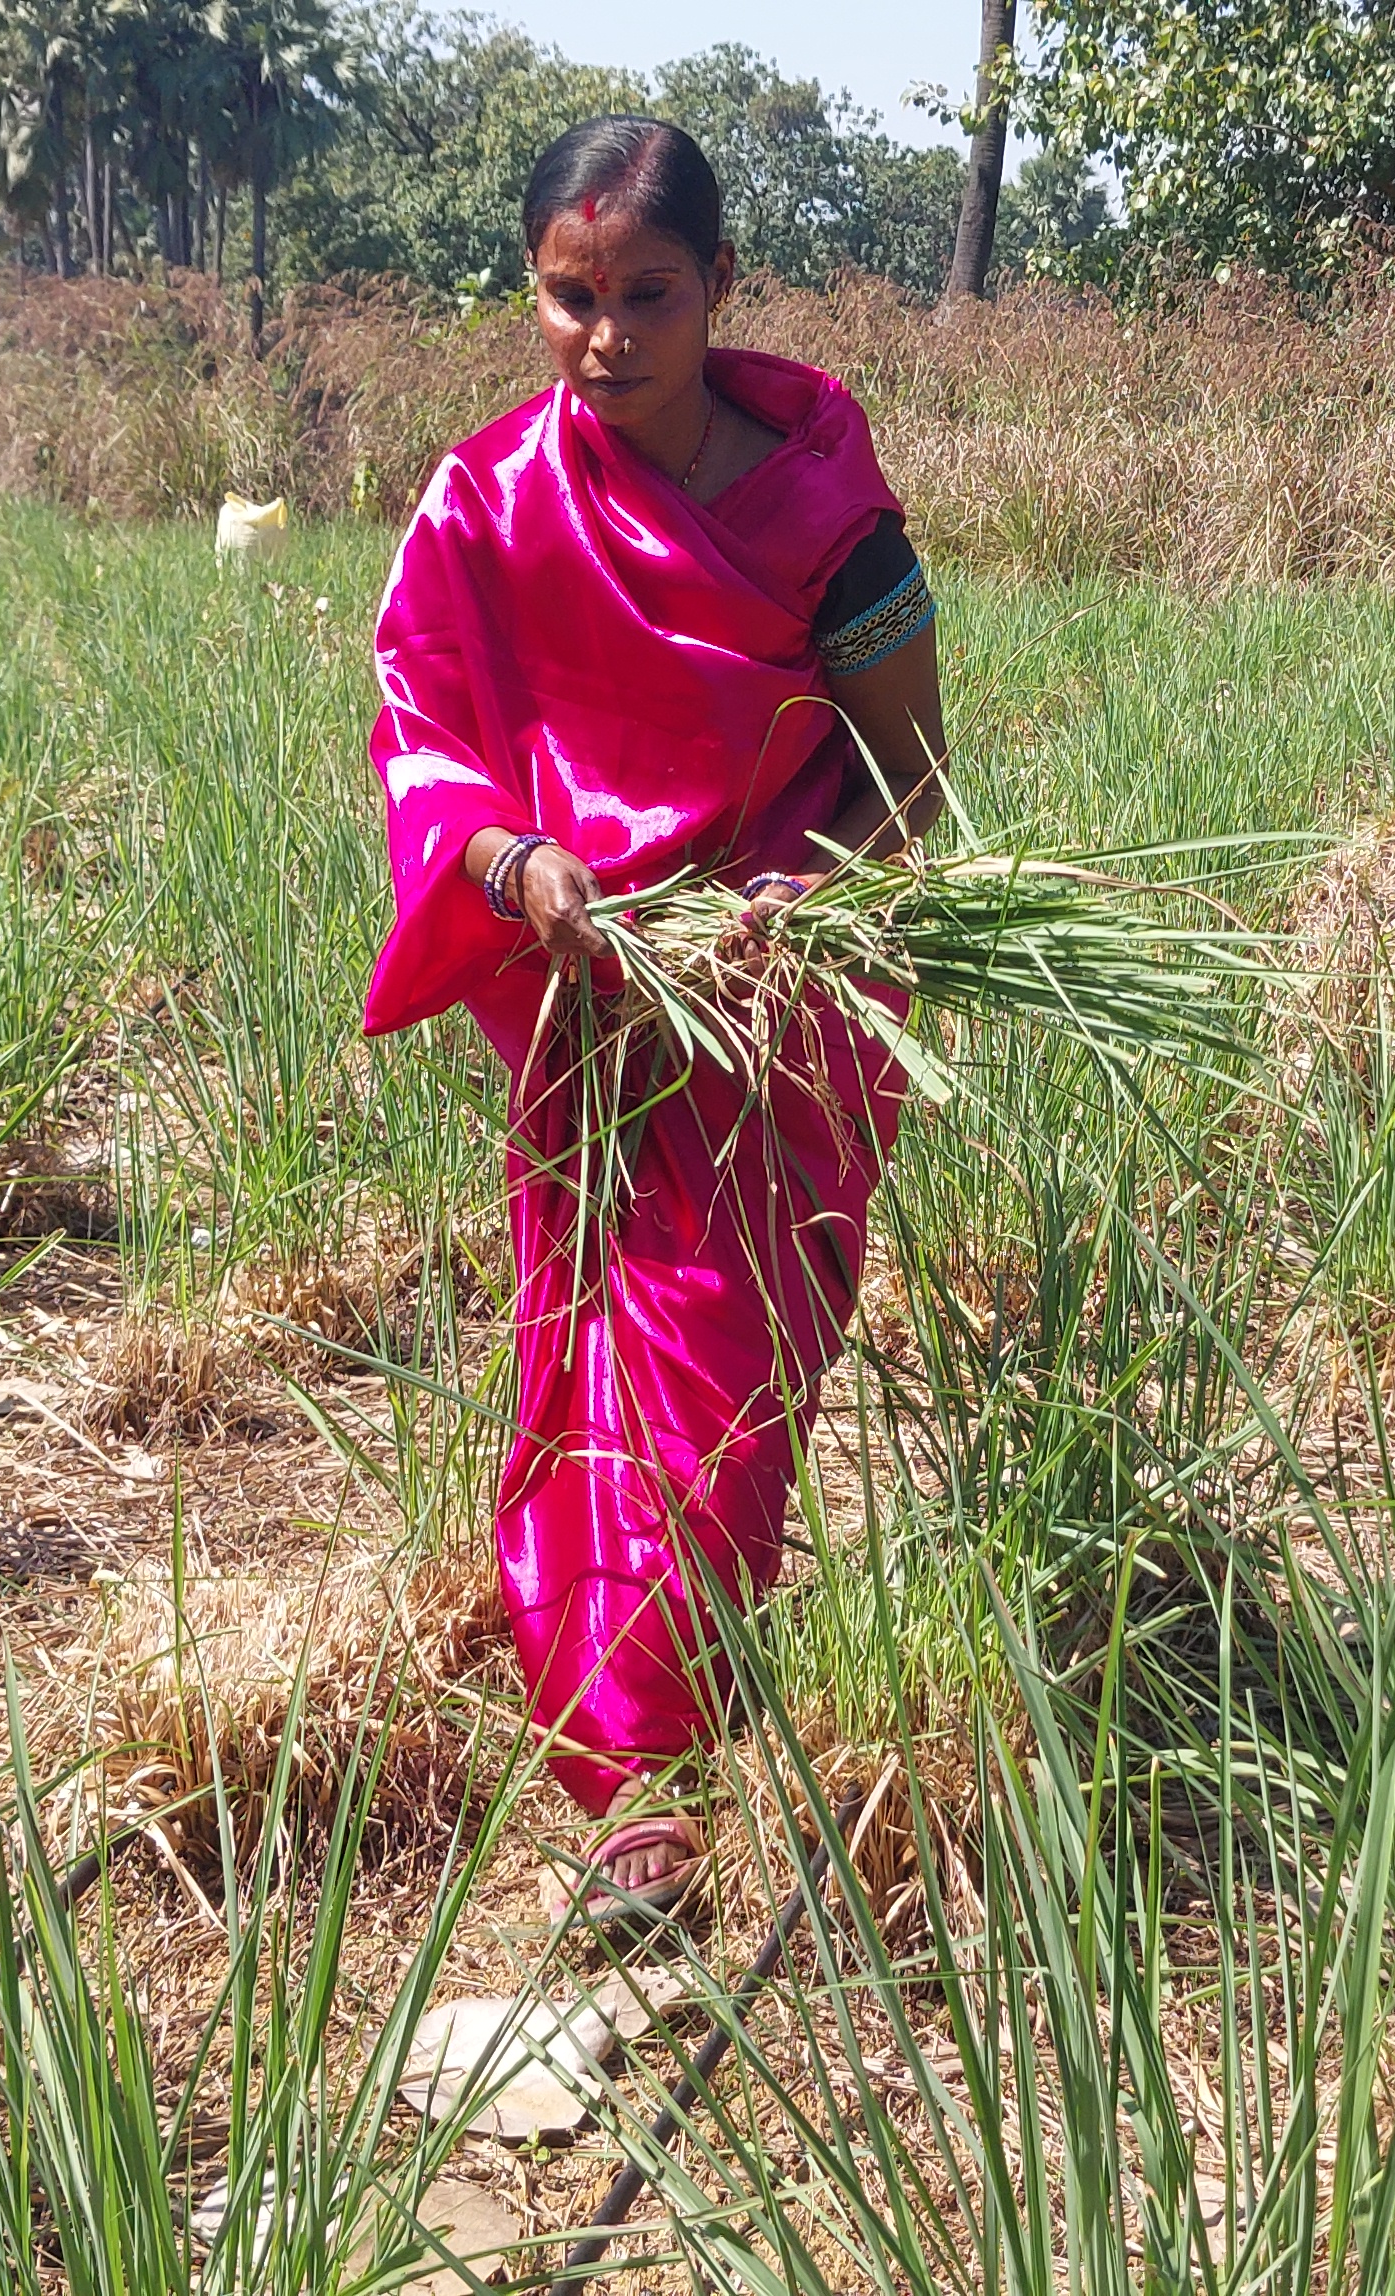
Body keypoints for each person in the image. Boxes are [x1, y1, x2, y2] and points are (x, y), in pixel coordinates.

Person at [355, 116, 946, 1925]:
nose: (606, 336)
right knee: (589, 1352)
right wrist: (517, 862)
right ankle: (640, 1784)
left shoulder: (833, 521)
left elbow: (908, 777)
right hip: (589, 996)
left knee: (718, 1368)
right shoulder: (483, 504)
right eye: (568, 296)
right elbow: (429, 742)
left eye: (646, 294)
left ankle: (676, 1679)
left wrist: (801, 900)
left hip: (775, 996)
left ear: (720, 290)